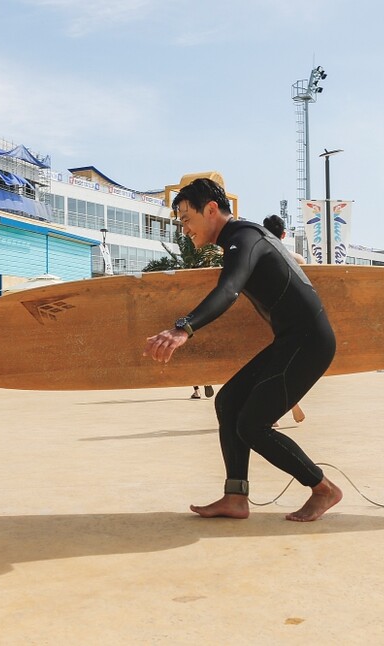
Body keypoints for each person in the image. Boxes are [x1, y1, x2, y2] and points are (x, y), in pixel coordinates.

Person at [144, 178, 341, 522]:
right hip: (291, 340)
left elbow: (229, 289)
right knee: (228, 402)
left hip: (308, 342)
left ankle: (323, 488)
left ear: (210, 210)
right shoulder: (242, 239)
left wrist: (183, 329)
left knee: (253, 424)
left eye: (187, 218)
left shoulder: (244, 238)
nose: (184, 228)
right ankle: (235, 497)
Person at [262, 215, 307, 425]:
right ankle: (288, 403)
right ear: (284, 234)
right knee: (285, 367)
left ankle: (277, 408)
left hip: (265, 319)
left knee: (268, 368)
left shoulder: (258, 257)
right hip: (294, 321)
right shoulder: (297, 259)